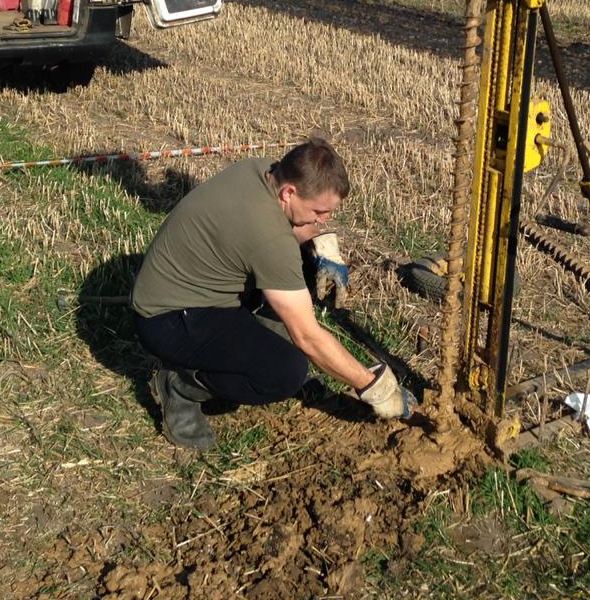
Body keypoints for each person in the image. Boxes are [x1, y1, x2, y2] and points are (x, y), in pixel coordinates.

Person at [131, 138, 415, 449]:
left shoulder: (264, 170)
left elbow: (292, 228)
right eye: (320, 211)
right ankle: (181, 386)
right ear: (290, 192)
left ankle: (260, 340)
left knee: (305, 261)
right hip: (169, 318)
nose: (324, 220)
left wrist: (321, 246)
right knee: (283, 372)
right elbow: (308, 337)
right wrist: (374, 387)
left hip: (196, 286)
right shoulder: (267, 238)